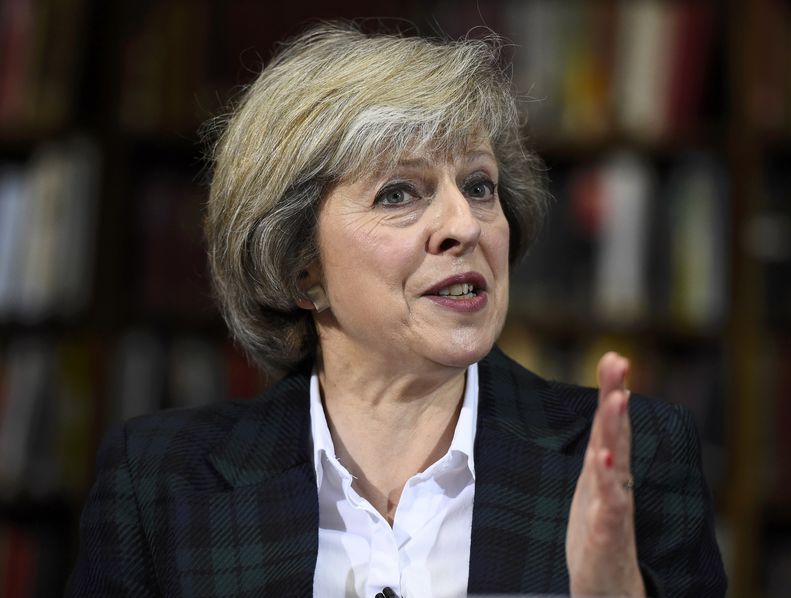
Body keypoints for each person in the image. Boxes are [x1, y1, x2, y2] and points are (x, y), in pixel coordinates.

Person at [66, 22, 727, 597]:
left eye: (478, 185)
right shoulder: (162, 483)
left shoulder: (631, 459)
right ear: (304, 270)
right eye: (399, 193)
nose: (463, 225)